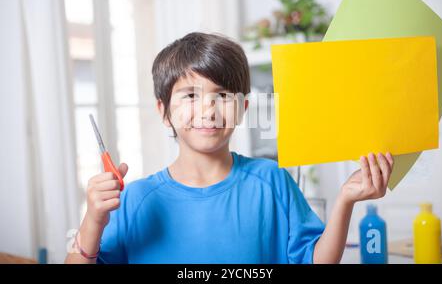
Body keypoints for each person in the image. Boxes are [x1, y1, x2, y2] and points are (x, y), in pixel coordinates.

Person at [65, 32, 394, 264]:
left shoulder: (272, 181)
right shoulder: (134, 200)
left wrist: (345, 200)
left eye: (222, 96)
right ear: (164, 112)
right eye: (190, 96)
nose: (208, 110)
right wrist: (92, 220)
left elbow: (315, 260)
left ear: (242, 108)